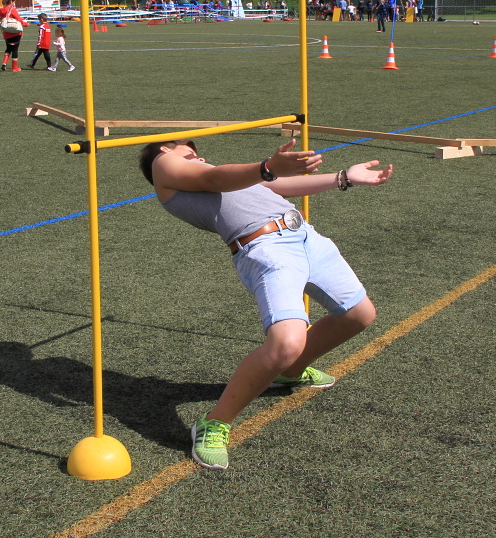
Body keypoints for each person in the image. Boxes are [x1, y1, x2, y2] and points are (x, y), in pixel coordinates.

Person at [140, 137, 393, 469]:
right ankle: (214, 423)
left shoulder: (226, 175)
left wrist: (343, 177)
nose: (197, 156)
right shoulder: (163, 165)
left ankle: (290, 372)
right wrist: (268, 166)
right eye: (188, 151)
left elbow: (278, 186)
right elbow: (213, 179)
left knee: (359, 315)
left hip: (305, 236)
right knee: (286, 343)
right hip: (266, 247)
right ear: (165, 149)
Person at [0, 0, 24, 72]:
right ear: (12, 1)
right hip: (15, 32)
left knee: (8, 48)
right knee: (15, 49)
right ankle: (14, 67)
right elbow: (18, 19)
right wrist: (25, 24)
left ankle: (4, 63)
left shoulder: (0, 10)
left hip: (6, 32)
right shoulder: (12, 9)